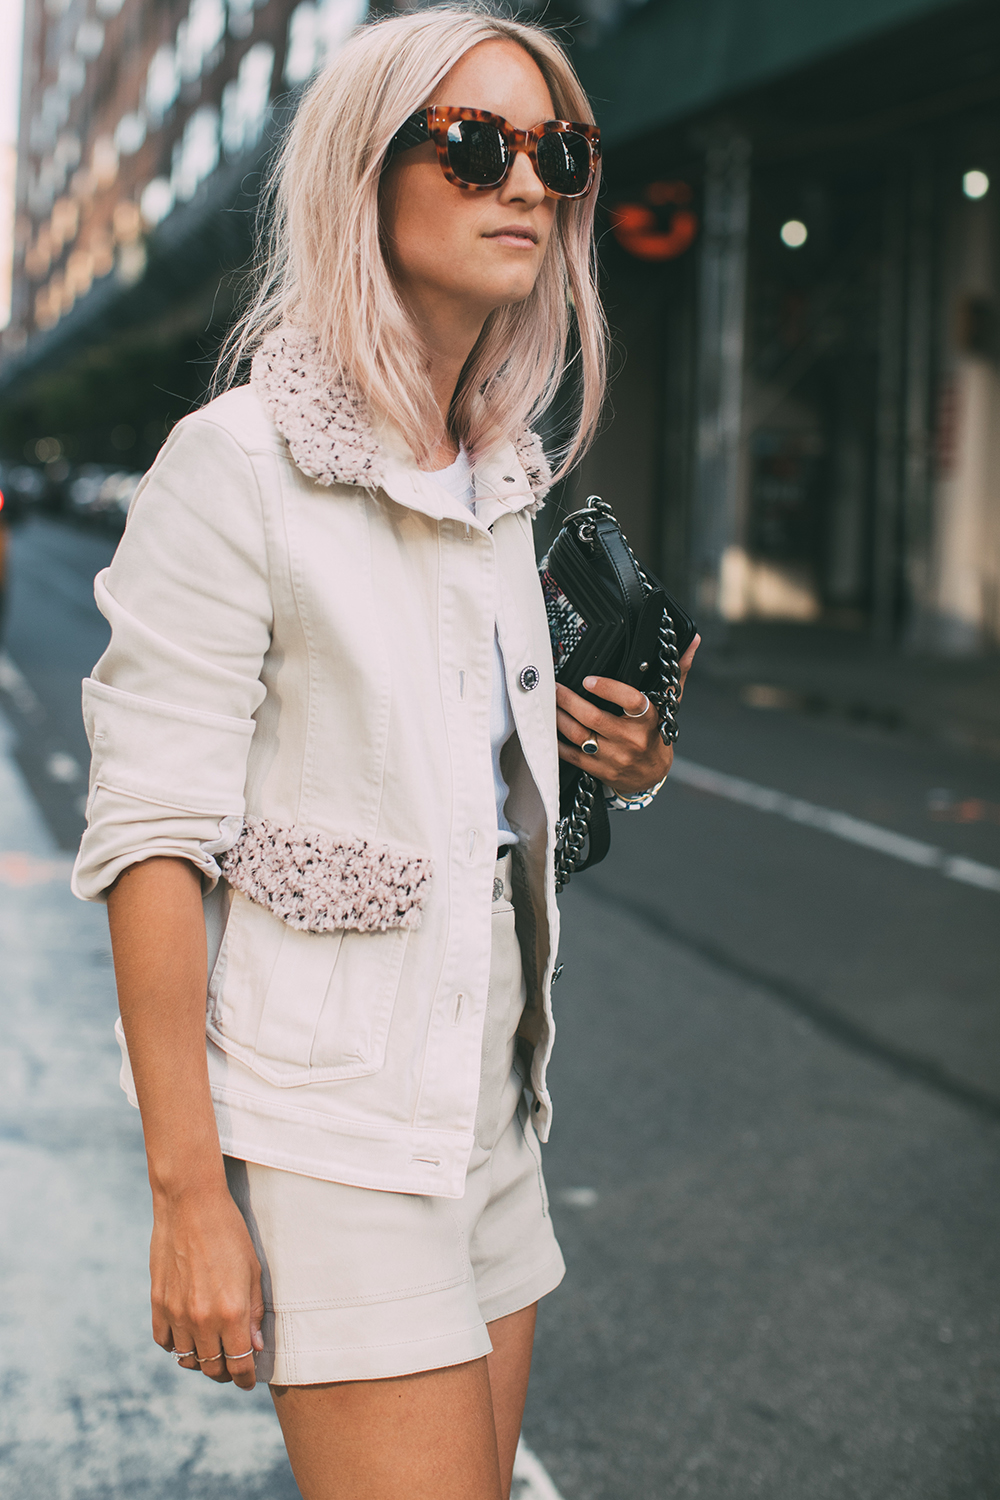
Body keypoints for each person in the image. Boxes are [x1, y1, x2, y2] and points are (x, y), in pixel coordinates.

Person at [72, 7, 698, 1497]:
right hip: (333, 1122)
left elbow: (462, 778)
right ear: (368, 170)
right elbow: (150, 836)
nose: (529, 184)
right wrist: (188, 1198)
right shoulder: (237, 470)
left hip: (491, 1100)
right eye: (477, 145)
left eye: (559, 151)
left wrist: (631, 760)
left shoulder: (498, 472)